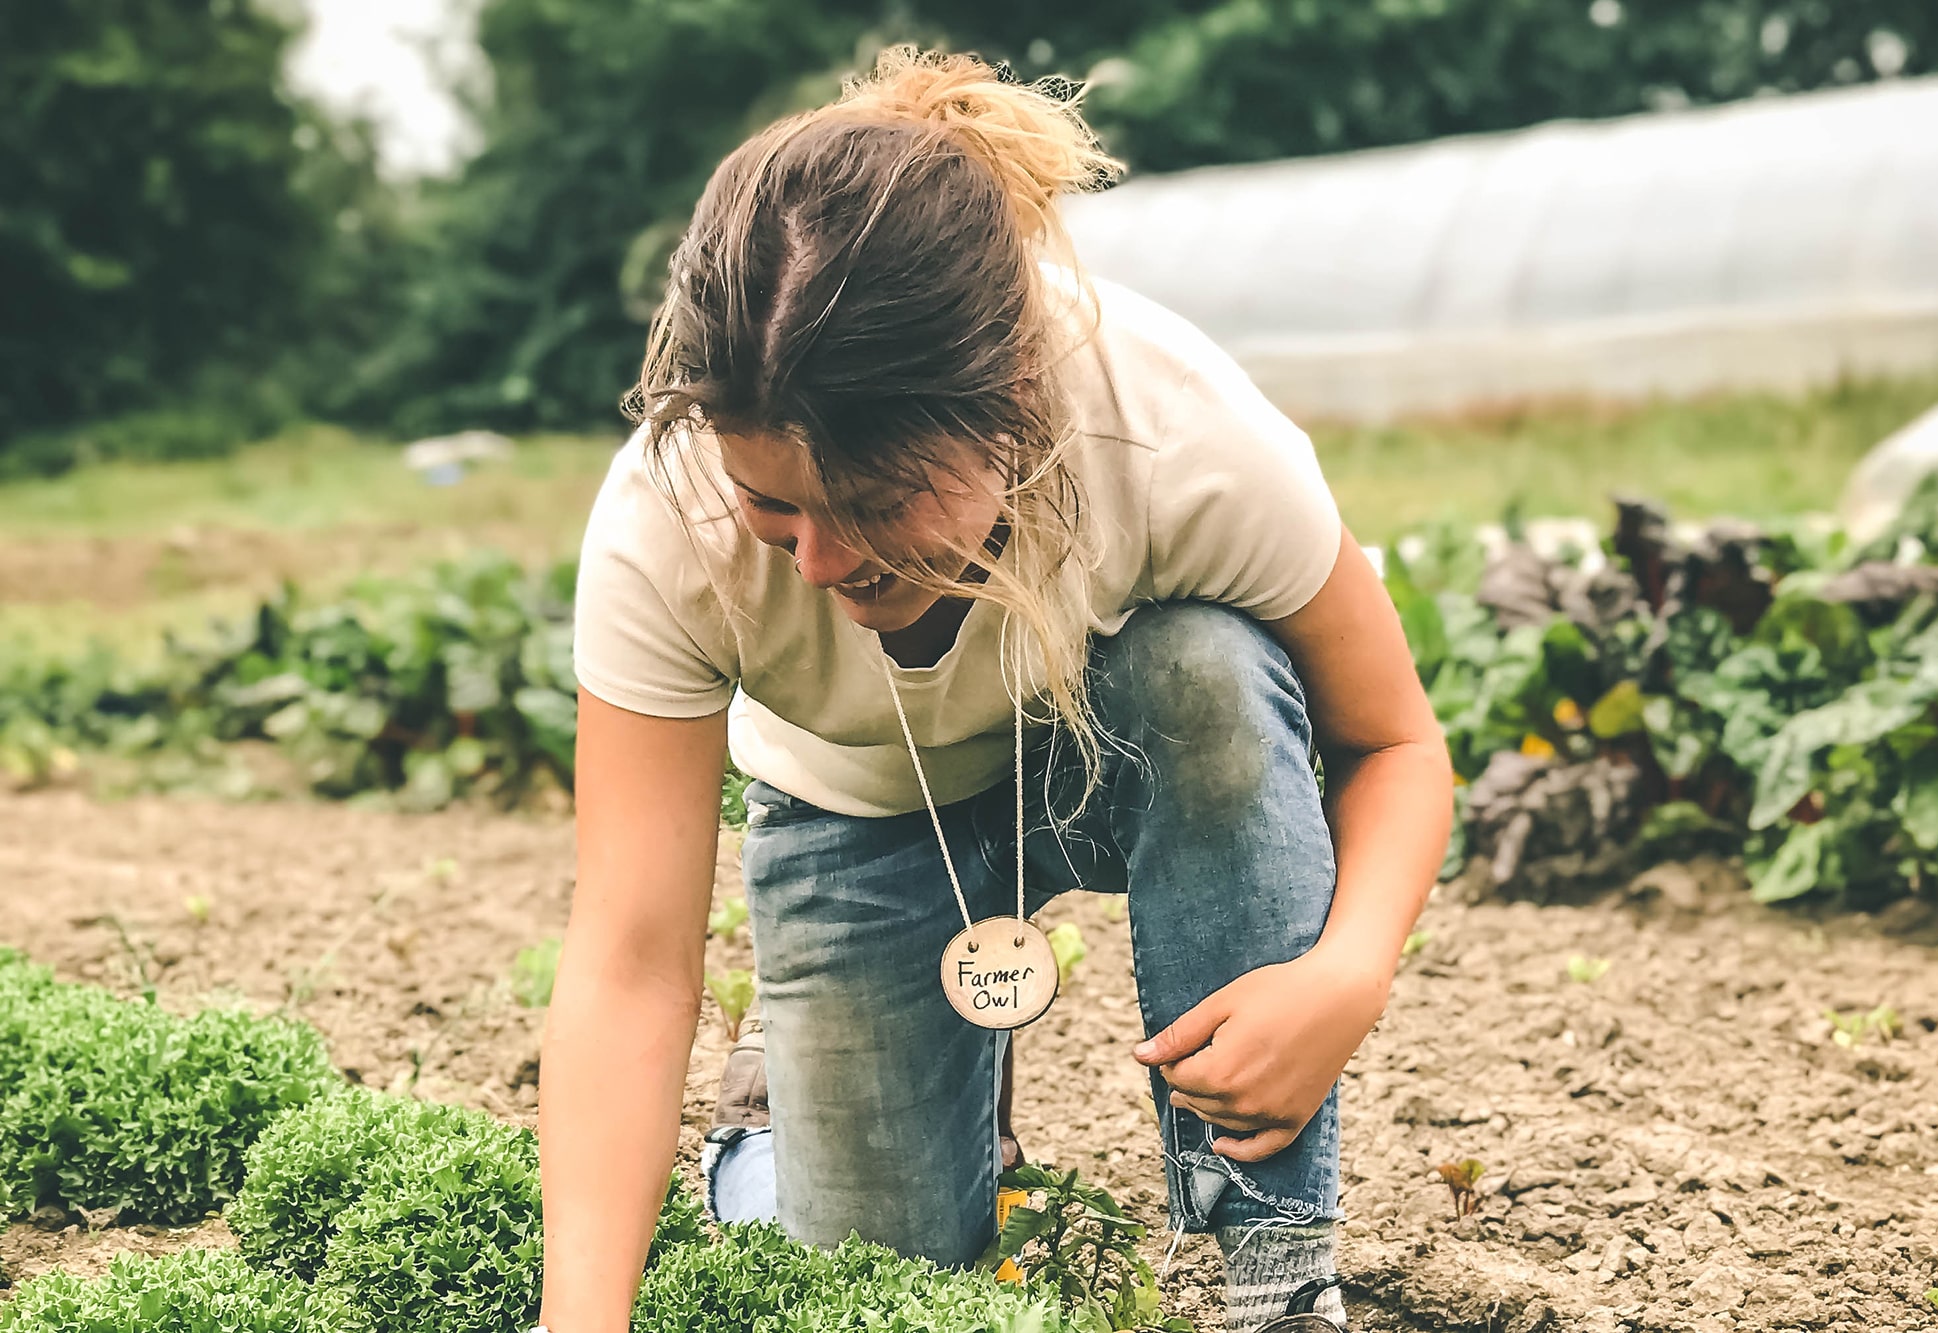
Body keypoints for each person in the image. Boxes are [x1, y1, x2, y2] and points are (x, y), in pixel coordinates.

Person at [536, 47, 1453, 1333]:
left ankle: (1273, 1277)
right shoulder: (663, 519)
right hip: (854, 819)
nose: (825, 561)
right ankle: (764, 1139)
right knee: (888, 1284)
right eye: (774, 505)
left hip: (1099, 752)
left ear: (1010, 409)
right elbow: (630, 963)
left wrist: (1345, 975)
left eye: (871, 503)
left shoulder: (1171, 428)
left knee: (1205, 665)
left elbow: (1394, 742)